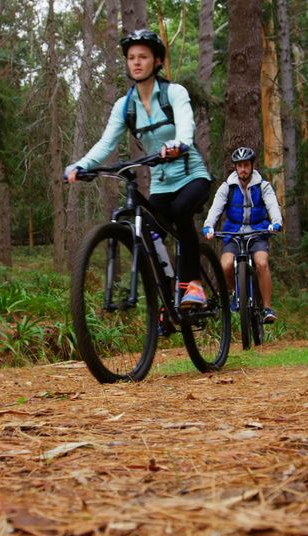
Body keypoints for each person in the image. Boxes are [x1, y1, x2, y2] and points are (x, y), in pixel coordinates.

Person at [64, 29, 212, 308]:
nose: (136, 62)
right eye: (131, 57)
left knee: (181, 212)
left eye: (143, 56)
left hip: (191, 176)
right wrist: (81, 165)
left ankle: (194, 284)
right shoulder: (125, 106)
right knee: (148, 232)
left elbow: (186, 128)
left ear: (156, 61)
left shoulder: (174, 93)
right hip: (160, 184)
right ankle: (166, 299)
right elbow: (106, 144)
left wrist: (178, 144)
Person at [202, 147, 283, 323]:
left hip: (257, 232)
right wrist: (208, 226)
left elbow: (272, 206)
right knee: (225, 266)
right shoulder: (227, 187)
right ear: (235, 168)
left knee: (262, 263)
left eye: (246, 165)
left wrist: (276, 222)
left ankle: (267, 309)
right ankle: (237, 293)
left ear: (252, 166)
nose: (243, 169)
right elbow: (216, 208)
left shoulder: (263, 186)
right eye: (239, 166)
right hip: (233, 233)